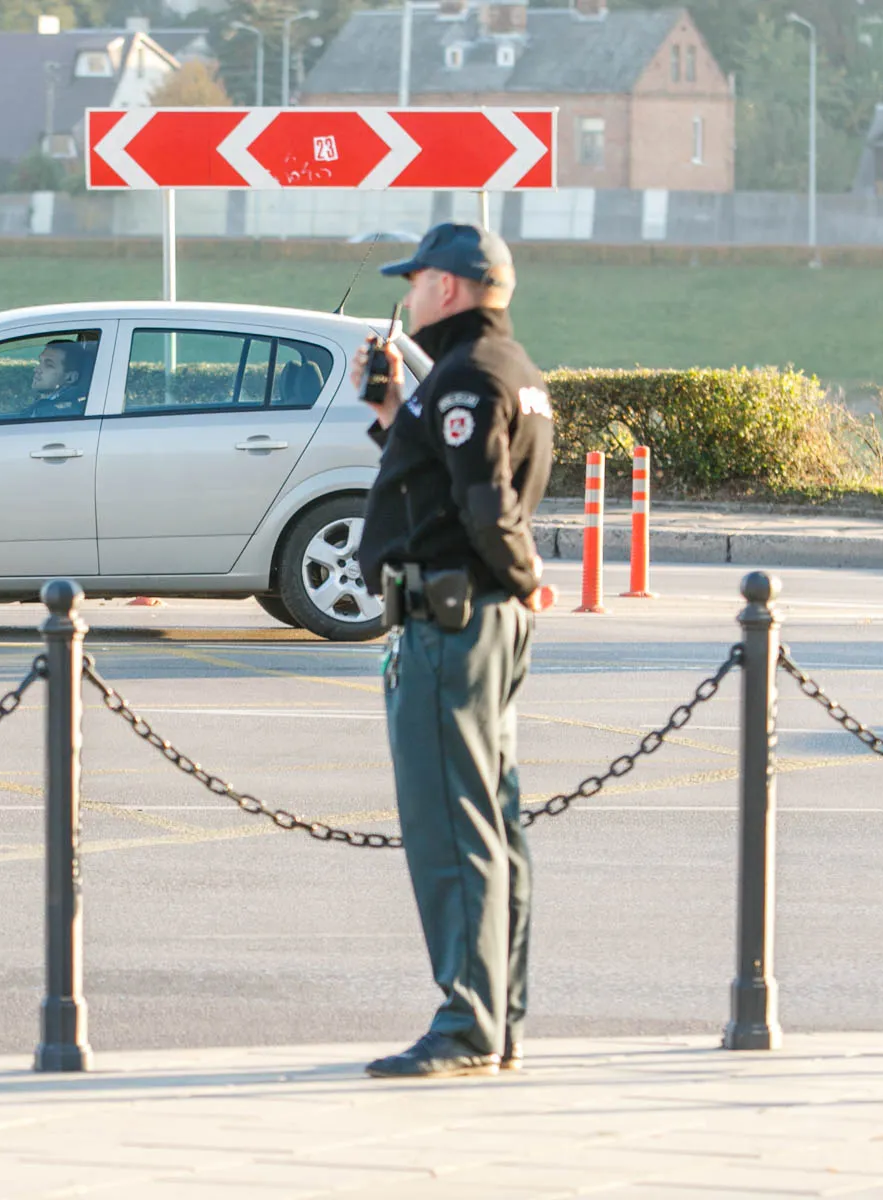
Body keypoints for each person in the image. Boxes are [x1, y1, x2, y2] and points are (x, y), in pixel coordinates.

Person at [351, 223, 554, 1079]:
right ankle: (499, 1020)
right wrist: (390, 413)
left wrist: (524, 576)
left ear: (449, 286)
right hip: (476, 617)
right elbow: (442, 475)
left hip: (452, 624)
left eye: (415, 281)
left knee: (451, 826)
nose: (407, 297)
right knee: (494, 823)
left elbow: (483, 500)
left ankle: (467, 1025)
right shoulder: (508, 370)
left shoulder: (468, 376)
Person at [26, 339, 92, 419]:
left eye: (49, 365)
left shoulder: (54, 414)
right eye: (40, 362)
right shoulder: (46, 406)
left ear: (70, 378)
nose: (36, 369)